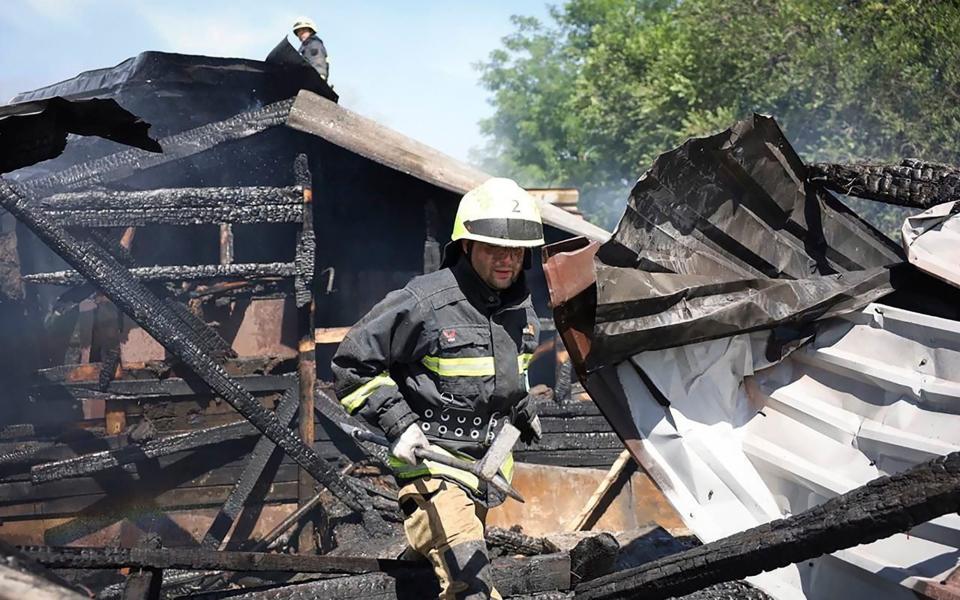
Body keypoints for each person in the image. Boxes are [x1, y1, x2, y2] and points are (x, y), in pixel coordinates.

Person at [333, 178, 545, 599]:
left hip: (485, 472)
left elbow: (502, 381)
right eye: (494, 249)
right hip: (434, 468)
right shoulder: (424, 302)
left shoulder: (519, 308)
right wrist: (400, 424)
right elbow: (353, 363)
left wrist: (522, 412)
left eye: (516, 251)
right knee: (472, 584)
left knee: (435, 578)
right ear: (466, 246)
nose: (507, 261)